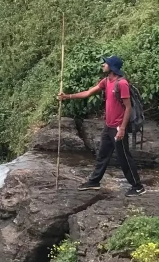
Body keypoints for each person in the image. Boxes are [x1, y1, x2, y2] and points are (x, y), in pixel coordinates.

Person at [58, 55, 146, 195]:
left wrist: (122, 129)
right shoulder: (106, 81)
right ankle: (94, 181)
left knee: (124, 157)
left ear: (112, 67)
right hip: (108, 126)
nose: (103, 65)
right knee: (103, 154)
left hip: (118, 127)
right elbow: (88, 93)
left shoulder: (122, 84)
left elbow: (128, 108)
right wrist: (67, 96)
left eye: (105, 63)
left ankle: (138, 186)